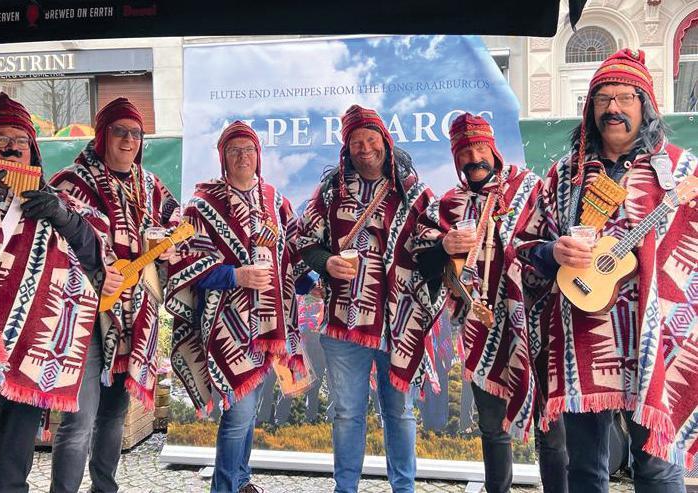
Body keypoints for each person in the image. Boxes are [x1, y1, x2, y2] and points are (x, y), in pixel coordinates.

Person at [518, 48, 698, 492]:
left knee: (657, 468)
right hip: (582, 343)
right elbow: (524, 246)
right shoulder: (565, 176)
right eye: (602, 99)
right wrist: (552, 252)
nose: (612, 108)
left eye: (624, 98)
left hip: (655, 343)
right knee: (583, 469)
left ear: (645, 105)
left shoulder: (680, 171)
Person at [0, 93, 102, 493]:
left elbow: (96, 260)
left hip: (28, 361)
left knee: (12, 476)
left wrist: (65, 218)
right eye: (1, 139)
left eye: (22, 141)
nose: (13, 149)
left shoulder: (47, 199)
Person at [415, 113, 568, 493]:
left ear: (494, 149)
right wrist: (443, 245)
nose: (474, 158)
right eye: (464, 152)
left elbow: (555, 241)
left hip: (537, 321)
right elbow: (421, 255)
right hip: (482, 326)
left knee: (550, 424)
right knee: (491, 425)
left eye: (480, 148)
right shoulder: (450, 203)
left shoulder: (530, 189)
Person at [297, 105, 445, 493]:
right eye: (356, 142)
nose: (365, 149)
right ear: (346, 148)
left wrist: (448, 246)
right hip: (344, 325)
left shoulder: (413, 192)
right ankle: (345, 488)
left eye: (371, 139)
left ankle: (404, 489)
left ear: (385, 141)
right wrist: (327, 262)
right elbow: (304, 241)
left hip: (399, 323)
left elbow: (433, 245)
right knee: (347, 413)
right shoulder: (330, 192)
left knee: (399, 412)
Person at [166, 121, 309, 493]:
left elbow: (292, 253)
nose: (243, 157)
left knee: (249, 412)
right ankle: (225, 486)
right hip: (226, 326)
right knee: (239, 413)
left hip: (269, 324)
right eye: (234, 151)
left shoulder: (275, 201)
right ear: (223, 158)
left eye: (249, 150)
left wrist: (312, 283)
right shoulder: (202, 205)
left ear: (258, 156)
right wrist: (235, 276)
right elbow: (185, 264)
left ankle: (241, 480)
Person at [48, 97, 179, 493]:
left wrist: (169, 247)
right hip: (83, 317)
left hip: (134, 320)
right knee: (78, 420)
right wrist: (93, 275)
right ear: (102, 135)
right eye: (120, 131)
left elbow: (176, 225)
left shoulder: (150, 185)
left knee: (113, 417)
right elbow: (49, 248)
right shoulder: (69, 183)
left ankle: (104, 487)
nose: (128, 140)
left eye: (136, 133)